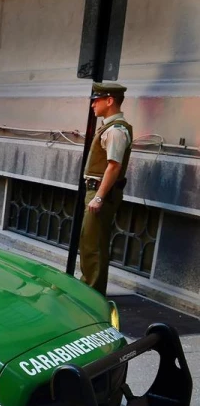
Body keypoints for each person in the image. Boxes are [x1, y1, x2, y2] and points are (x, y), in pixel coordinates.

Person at [79, 82, 132, 296]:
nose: (93, 105)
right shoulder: (108, 126)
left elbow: (114, 165)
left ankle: (93, 293)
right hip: (96, 191)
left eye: (96, 100)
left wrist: (99, 197)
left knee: (94, 246)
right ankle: (89, 287)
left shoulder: (117, 129)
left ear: (109, 101)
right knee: (89, 241)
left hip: (102, 193)